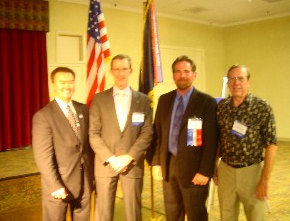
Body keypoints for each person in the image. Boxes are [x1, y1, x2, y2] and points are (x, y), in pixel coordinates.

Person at [151, 55, 218, 221]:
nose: (182, 75)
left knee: (196, 214)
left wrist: (205, 171)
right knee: (172, 213)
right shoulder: (164, 100)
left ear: (194, 75)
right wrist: (156, 162)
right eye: (178, 72)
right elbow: (158, 134)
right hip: (169, 165)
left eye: (187, 71)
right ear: (173, 75)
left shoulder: (206, 102)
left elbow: (212, 141)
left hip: (195, 169)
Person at [89, 54, 153, 221]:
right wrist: (112, 159)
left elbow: (147, 133)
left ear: (130, 71)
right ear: (111, 71)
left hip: (132, 163)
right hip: (105, 164)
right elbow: (93, 134)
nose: (120, 73)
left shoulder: (144, 100)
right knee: (103, 212)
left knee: (133, 212)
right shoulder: (99, 99)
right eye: (116, 69)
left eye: (124, 68)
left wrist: (129, 157)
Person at [214, 64, 277, 221]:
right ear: (228, 83)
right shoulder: (222, 107)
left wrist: (265, 179)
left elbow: (271, 144)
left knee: (255, 216)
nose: (236, 83)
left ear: (249, 82)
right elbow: (218, 139)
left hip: (251, 171)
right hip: (226, 170)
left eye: (240, 79)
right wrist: (214, 165)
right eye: (232, 79)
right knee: (226, 215)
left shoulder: (262, 107)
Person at [32, 67, 94, 221]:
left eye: (71, 81)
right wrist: (54, 185)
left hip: (84, 180)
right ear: (53, 84)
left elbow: (88, 146)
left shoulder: (83, 109)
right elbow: (43, 157)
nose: (67, 86)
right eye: (62, 82)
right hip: (59, 183)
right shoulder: (43, 116)